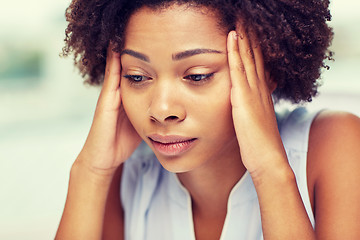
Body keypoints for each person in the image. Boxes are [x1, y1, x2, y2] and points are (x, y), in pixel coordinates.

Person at [55, 0, 360, 239]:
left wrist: (270, 170)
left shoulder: (335, 145)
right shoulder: (124, 173)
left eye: (197, 75)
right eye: (137, 76)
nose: (161, 110)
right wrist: (90, 173)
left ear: (267, 70)